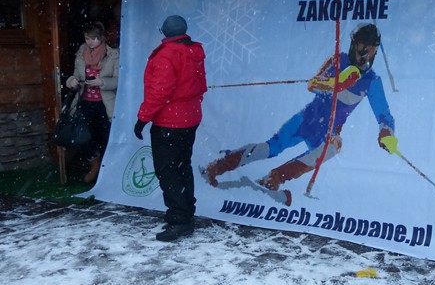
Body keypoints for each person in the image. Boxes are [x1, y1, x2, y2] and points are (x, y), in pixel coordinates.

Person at [201, 23, 397, 201]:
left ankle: (274, 178)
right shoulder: (339, 60)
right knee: (272, 148)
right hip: (307, 119)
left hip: (327, 130)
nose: (366, 55)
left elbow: (384, 115)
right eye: (363, 48)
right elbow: (312, 84)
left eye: (371, 51)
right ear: (354, 45)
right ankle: (218, 166)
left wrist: (386, 132)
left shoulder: (372, 81)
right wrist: (334, 83)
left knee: (333, 146)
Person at [134, 15, 207, 242]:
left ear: (165, 32)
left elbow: (160, 92)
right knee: (182, 166)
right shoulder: (193, 51)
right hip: (189, 118)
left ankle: (180, 219)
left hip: (170, 121)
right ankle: (184, 213)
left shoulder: (168, 54)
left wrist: (142, 119)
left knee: (168, 170)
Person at [65, 21, 119, 183]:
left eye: (94, 38)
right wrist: (72, 81)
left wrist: (101, 82)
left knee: (106, 136)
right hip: (84, 101)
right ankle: (95, 163)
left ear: (101, 38)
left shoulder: (112, 54)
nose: (90, 42)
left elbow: (118, 81)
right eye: (87, 38)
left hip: (105, 104)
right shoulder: (81, 52)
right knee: (82, 136)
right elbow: (75, 75)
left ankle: (109, 171)